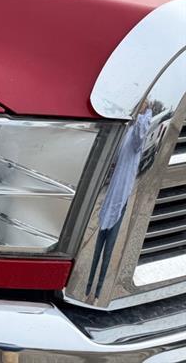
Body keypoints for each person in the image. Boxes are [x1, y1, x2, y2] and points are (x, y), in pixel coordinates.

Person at [85, 102, 154, 299]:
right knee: (98, 248)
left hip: (121, 201)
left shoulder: (137, 135)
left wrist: (144, 111)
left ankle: (99, 292)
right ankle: (88, 288)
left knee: (108, 253)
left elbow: (141, 135)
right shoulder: (127, 130)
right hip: (109, 199)